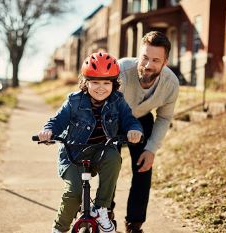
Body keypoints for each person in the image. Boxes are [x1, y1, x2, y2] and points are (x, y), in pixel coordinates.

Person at [37, 52, 143, 233]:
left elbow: (129, 120)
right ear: (86, 82)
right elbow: (57, 121)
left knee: (114, 158)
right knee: (74, 193)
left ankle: (101, 209)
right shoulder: (74, 101)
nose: (101, 88)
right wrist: (48, 131)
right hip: (73, 154)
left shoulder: (117, 101)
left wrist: (135, 130)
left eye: (106, 83)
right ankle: (59, 229)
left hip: (101, 152)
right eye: (95, 82)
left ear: (113, 84)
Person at [114, 31, 180, 232]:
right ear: (138, 55)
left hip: (142, 119)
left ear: (165, 62)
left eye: (155, 60)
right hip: (114, 117)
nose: (148, 64)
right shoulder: (121, 71)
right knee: (109, 165)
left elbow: (164, 117)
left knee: (143, 169)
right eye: (144, 57)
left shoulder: (171, 84)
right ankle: (104, 213)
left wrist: (151, 149)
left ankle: (134, 223)